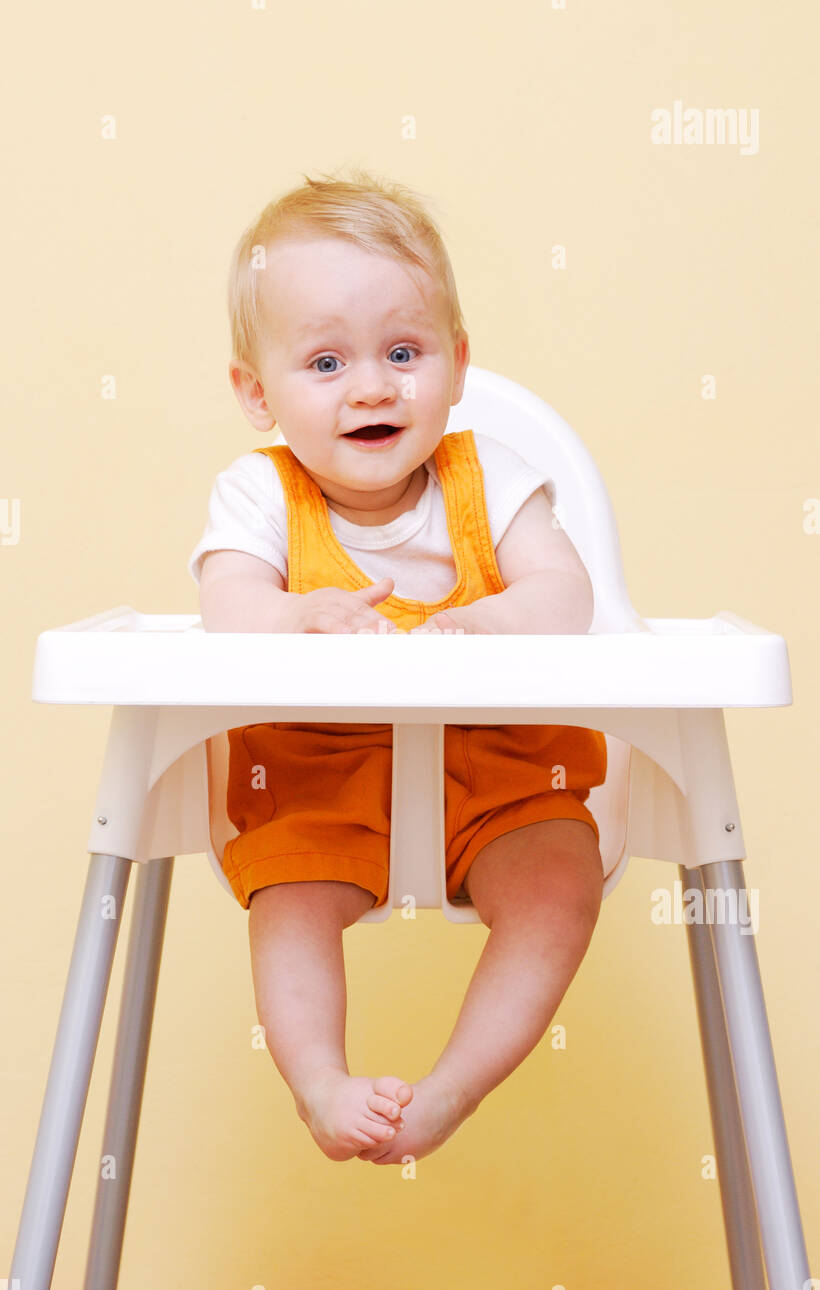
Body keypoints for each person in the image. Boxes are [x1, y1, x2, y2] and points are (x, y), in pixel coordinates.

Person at [187, 169, 607, 1166]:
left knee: (561, 876)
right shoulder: (256, 497)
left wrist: (493, 621)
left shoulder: (493, 478)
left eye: (403, 351)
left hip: (500, 770)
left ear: (457, 365)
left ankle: (453, 1085)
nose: (372, 385)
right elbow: (226, 612)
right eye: (325, 361)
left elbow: (566, 594)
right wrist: (295, 614)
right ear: (257, 392)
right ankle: (321, 1083)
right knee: (287, 904)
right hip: (316, 778)